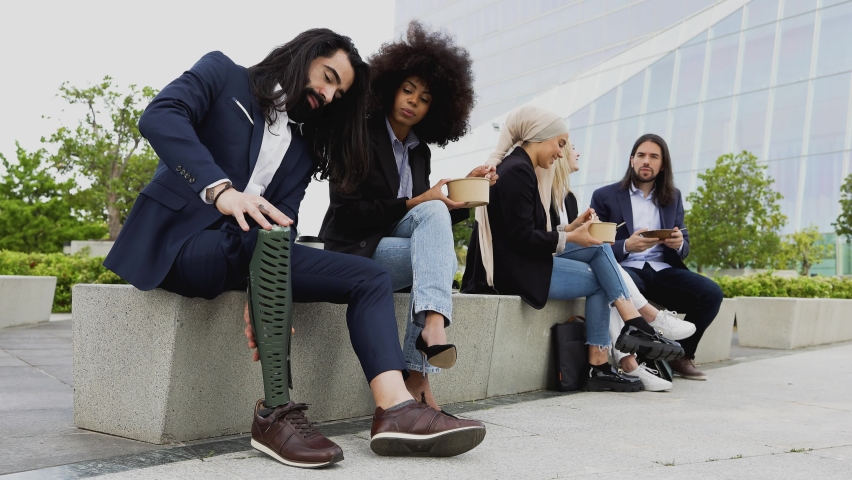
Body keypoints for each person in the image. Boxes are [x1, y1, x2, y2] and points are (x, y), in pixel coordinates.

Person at [103, 29, 485, 469]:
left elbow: (283, 221)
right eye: (327, 77)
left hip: (247, 252)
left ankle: (395, 408)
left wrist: (269, 284)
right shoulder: (223, 74)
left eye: (337, 92)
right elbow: (160, 116)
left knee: (371, 278)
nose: (326, 94)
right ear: (304, 55)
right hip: (182, 243)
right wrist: (223, 192)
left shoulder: (303, 148)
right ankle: (275, 412)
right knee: (250, 244)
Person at [319, 22, 491, 410]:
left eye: (425, 98)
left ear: (436, 109)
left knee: (433, 219)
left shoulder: (419, 152)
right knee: (432, 227)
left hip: (396, 247)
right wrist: (420, 202)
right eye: (408, 89)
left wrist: (460, 197)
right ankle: (423, 364)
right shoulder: (358, 133)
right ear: (391, 86)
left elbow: (426, 218)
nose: (413, 101)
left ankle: (426, 342)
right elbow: (348, 214)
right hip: (353, 250)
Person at [461, 106, 686, 392]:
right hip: (513, 272)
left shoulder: (520, 168)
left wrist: (571, 230)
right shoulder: (518, 171)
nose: (560, 153)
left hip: (521, 262)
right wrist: (571, 238)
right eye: (561, 144)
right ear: (540, 137)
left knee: (599, 248)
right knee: (601, 272)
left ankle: (626, 334)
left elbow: (524, 234)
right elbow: (521, 239)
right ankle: (610, 351)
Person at [590, 133, 724, 380]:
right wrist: (627, 246)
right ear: (632, 160)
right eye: (641, 155)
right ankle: (641, 358)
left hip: (663, 269)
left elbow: (685, 244)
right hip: (625, 267)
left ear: (662, 165)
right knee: (628, 286)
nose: (646, 161)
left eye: (654, 157)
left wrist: (679, 243)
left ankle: (682, 357)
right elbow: (594, 243)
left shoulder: (673, 196)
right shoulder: (604, 196)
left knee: (711, 293)